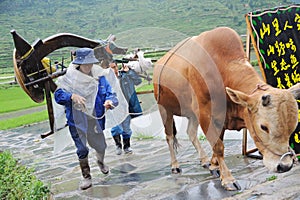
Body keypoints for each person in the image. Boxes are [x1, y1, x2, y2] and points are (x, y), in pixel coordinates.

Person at [54, 47, 118, 190]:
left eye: (90, 63)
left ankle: (100, 162)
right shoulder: (68, 79)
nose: (88, 67)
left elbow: (110, 93)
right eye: (85, 64)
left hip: (94, 118)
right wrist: (72, 96)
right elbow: (58, 96)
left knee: (101, 145)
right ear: (78, 64)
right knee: (82, 148)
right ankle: (86, 176)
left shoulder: (99, 77)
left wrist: (110, 102)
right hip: (76, 120)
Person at [109, 61, 142, 155]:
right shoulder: (107, 79)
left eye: (114, 67)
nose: (113, 70)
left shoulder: (125, 75)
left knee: (126, 128)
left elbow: (138, 81)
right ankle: (118, 145)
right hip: (114, 107)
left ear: (117, 66)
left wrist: (129, 72)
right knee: (116, 128)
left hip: (126, 106)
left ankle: (127, 146)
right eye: (111, 68)